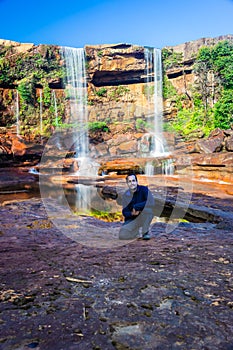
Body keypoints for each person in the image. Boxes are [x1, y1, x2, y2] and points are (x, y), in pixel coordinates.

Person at [119, 173, 155, 240]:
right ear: (127, 183)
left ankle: (145, 233)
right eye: (129, 181)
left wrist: (136, 207)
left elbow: (151, 202)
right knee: (122, 235)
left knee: (148, 211)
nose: (132, 183)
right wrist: (131, 214)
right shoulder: (126, 195)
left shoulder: (144, 190)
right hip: (132, 219)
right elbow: (124, 212)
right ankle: (135, 232)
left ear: (136, 181)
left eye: (133, 181)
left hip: (144, 215)